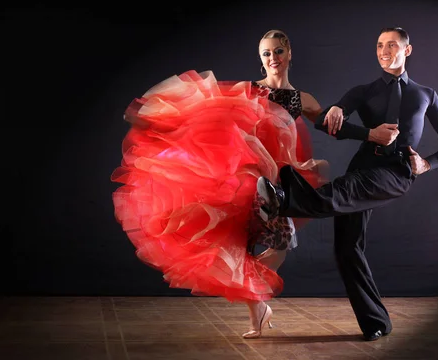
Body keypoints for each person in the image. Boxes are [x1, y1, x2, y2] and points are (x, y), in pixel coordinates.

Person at [111, 29, 328, 339]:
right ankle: (257, 311)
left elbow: (327, 126)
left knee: (274, 245)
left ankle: (258, 302)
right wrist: (159, 119)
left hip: (280, 178)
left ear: (289, 54)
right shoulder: (250, 90)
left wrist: (341, 122)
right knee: (243, 244)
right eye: (267, 53)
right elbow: (207, 110)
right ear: (260, 58)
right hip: (249, 176)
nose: (273, 59)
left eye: (278, 52)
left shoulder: (301, 99)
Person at [257, 26, 438, 341]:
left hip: (395, 173)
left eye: (392, 45)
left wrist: (428, 163)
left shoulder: (425, 94)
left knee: (343, 191)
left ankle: (282, 199)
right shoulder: (363, 91)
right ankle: (377, 322)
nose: (384, 51)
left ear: (407, 50)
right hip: (363, 167)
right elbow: (330, 124)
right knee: (347, 248)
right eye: (379, 45)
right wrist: (337, 110)